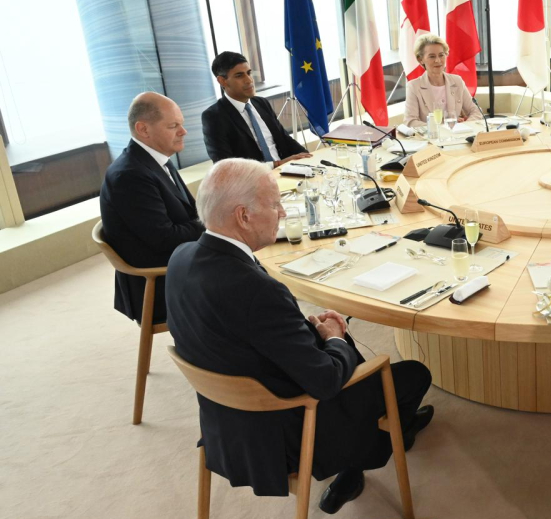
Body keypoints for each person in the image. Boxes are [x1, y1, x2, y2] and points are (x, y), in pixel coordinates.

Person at [166, 159, 434, 514]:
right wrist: (334, 337)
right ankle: (365, 454)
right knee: (413, 374)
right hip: (287, 433)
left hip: (223, 425)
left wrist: (300, 330)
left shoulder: (181, 257)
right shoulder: (256, 291)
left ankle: (387, 432)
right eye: (275, 204)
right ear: (243, 216)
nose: (282, 212)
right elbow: (324, 382)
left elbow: (237, 330)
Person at [99, 92, 205, 324]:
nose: (183, 131)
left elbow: (189, 214)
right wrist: (214, 223)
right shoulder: (129, 176)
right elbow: (165, 238)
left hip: (179, 262)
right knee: (250, 282)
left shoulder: (156, 159)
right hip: (160, 283)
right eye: (173, 126)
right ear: (143, 129)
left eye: (182, 124)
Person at [200, 51, 312, 167]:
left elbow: (285, 139)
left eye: (249, 73)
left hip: (286, 172)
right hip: (254, 181)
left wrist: (309, 159)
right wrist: (276, 165)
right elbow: (225, 166)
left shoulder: (261, 103)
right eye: (239, 76)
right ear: (222, 81)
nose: (249, 80)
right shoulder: (214, 117)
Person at [404, 34, 484, 128]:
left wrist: (463, 126)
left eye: (441, 55)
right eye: (432, 56)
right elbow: (410, 122)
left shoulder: (457, 81)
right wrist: (444, 127)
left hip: (457, 137)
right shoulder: (414, 86)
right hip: (430, 139)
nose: (438, 60)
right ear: (420, 59)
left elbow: (476, 112)